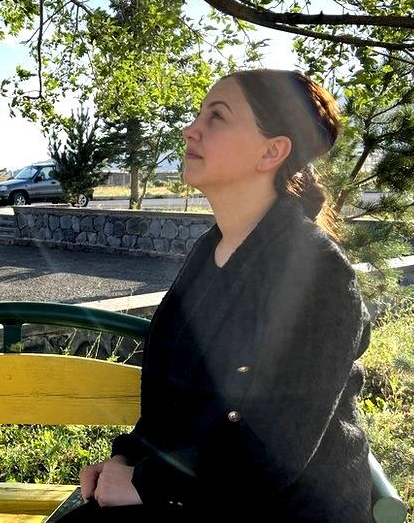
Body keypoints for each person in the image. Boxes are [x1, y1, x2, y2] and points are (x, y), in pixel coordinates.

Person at [58, 69, 373, 522]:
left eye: (217, 117)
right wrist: (125, 460)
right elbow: (175, 401)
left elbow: (275, 453)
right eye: (198, 114)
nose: (191, 129)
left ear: (272, 151)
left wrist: (146, 483)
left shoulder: (315, 270)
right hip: (201, 494)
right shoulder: (210, 250)